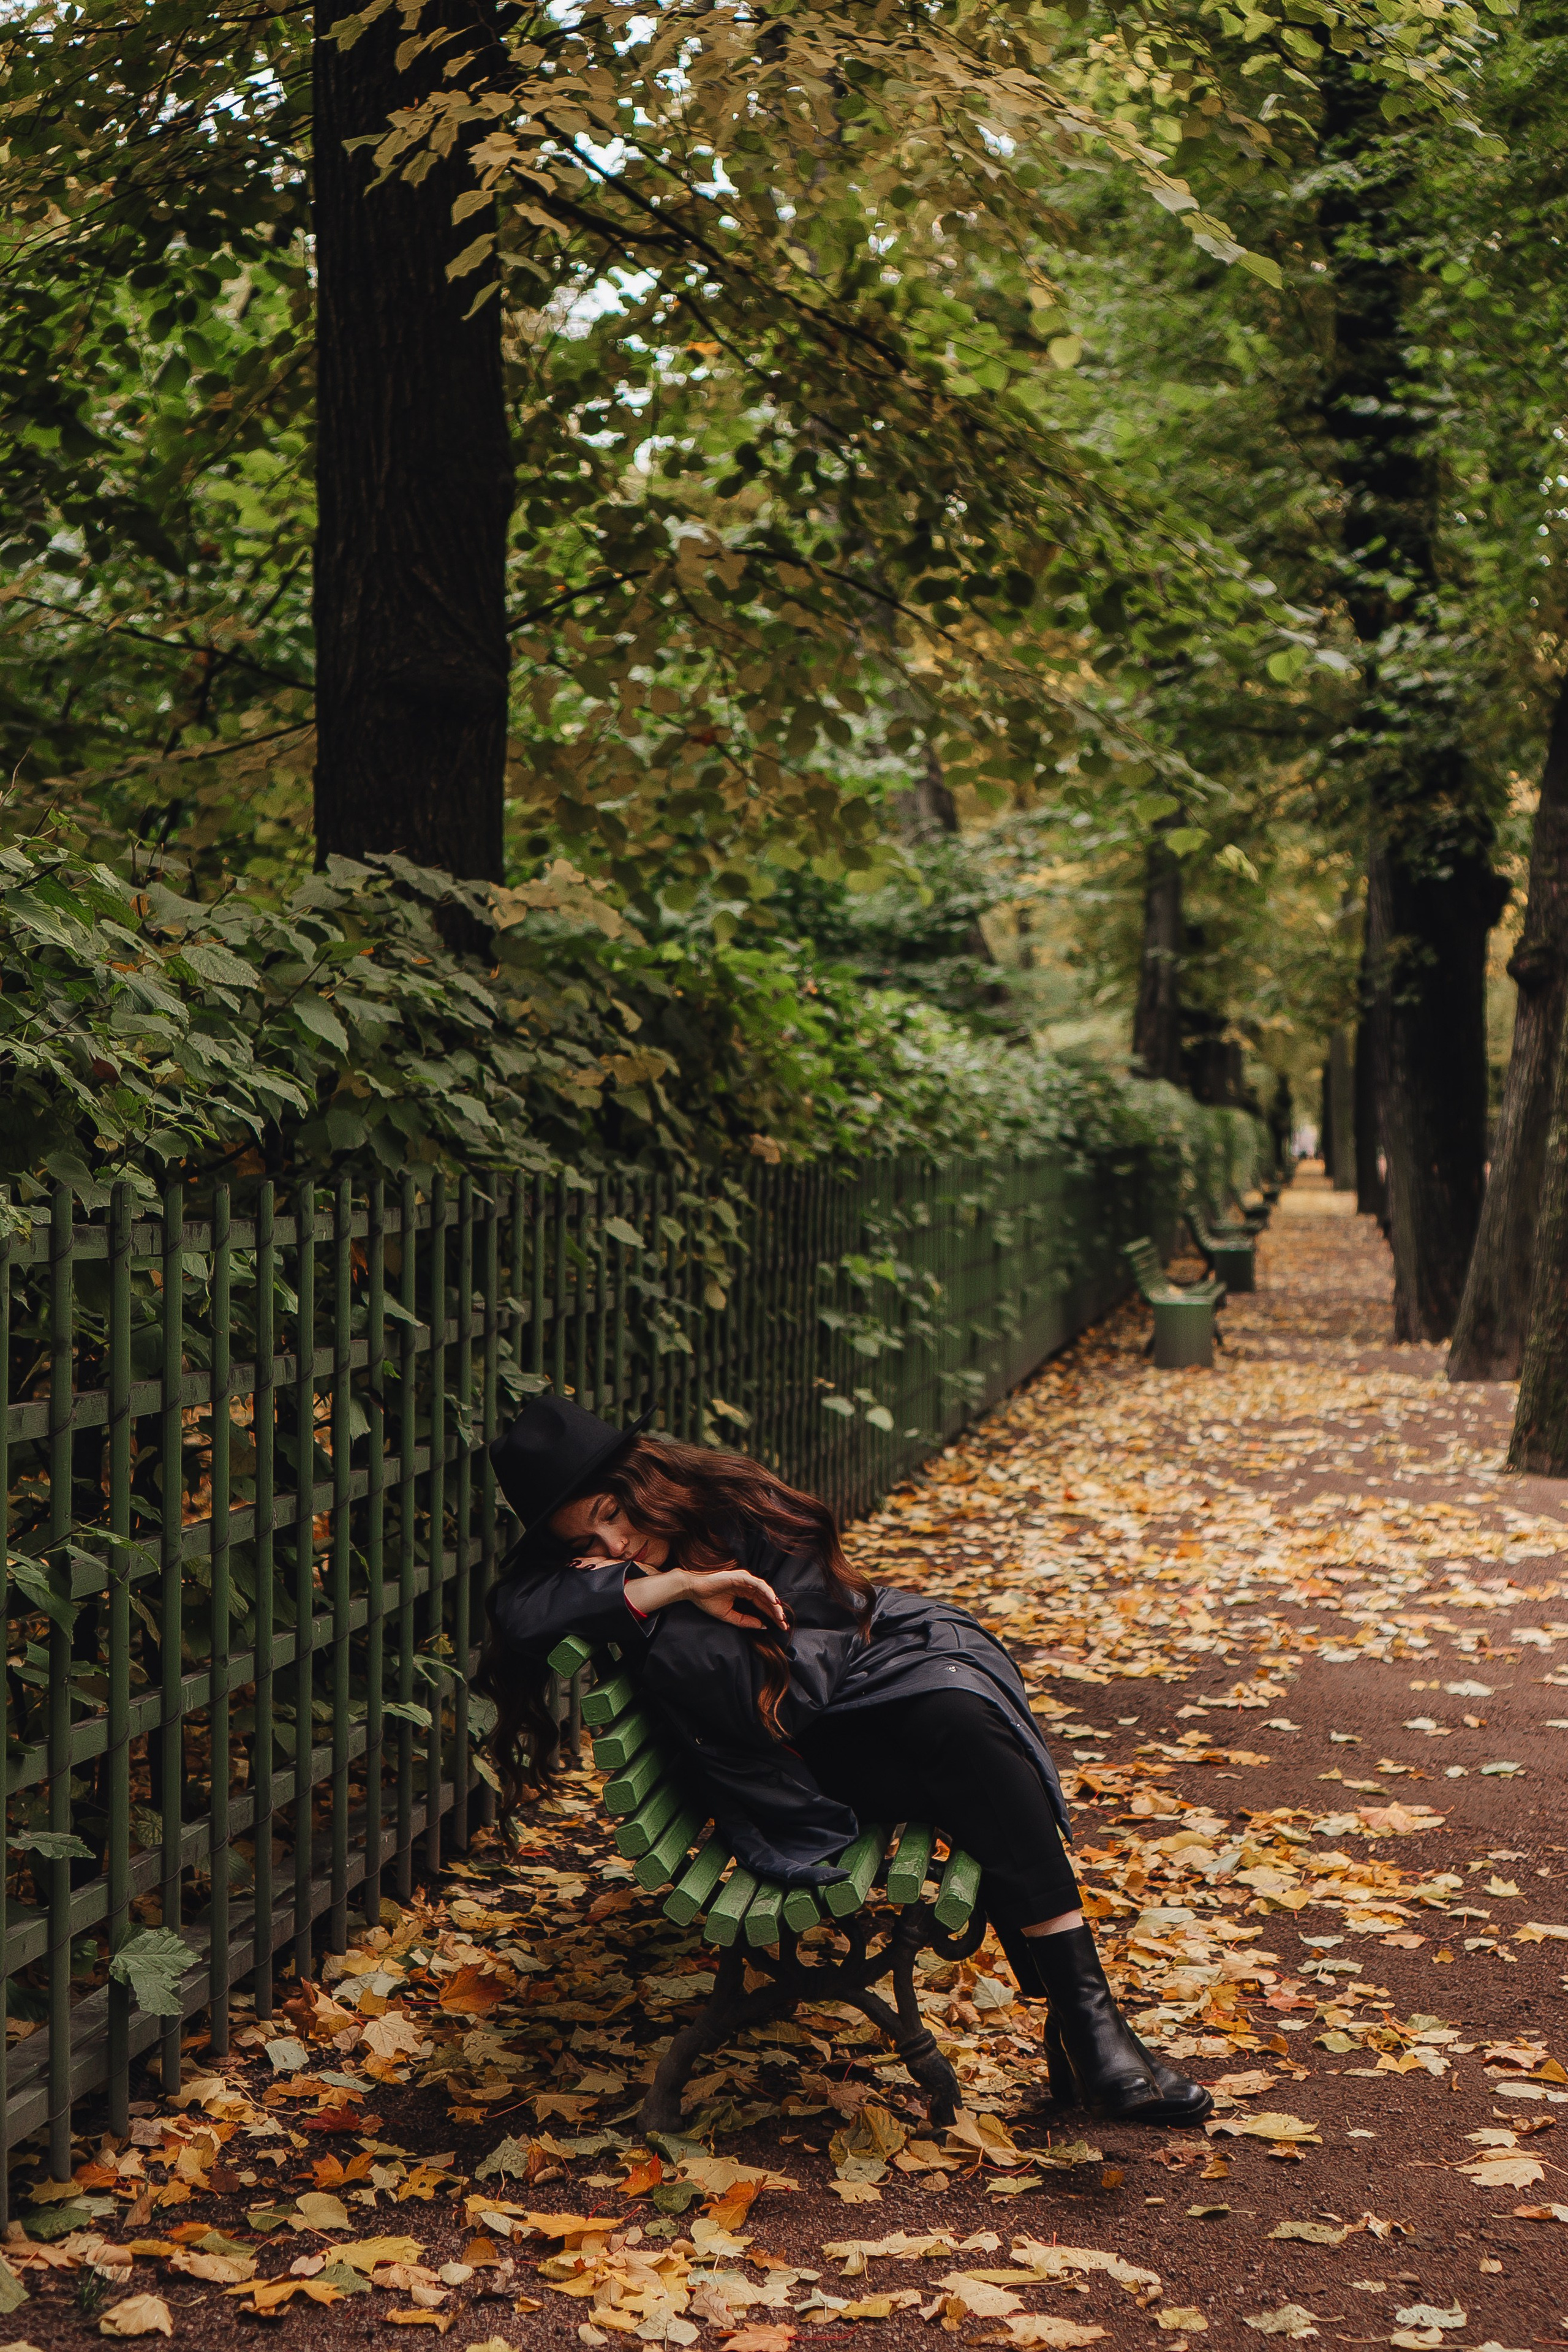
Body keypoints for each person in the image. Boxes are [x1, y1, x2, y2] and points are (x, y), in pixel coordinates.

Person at [473, 1393, 1211, 2125]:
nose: (615, 1546)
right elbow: (519, 1613)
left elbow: (814, 1659)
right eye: (591, 1542)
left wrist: (675, 1601)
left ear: (644, 1482)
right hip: (797, 1770)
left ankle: (1084, 2020)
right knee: (973, 1758)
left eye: (612, 1513)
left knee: (963, 1725)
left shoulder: (739, 1506)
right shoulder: (633, 1581)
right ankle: (1087, 2027)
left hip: (845, 1705)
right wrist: (681, 1589)